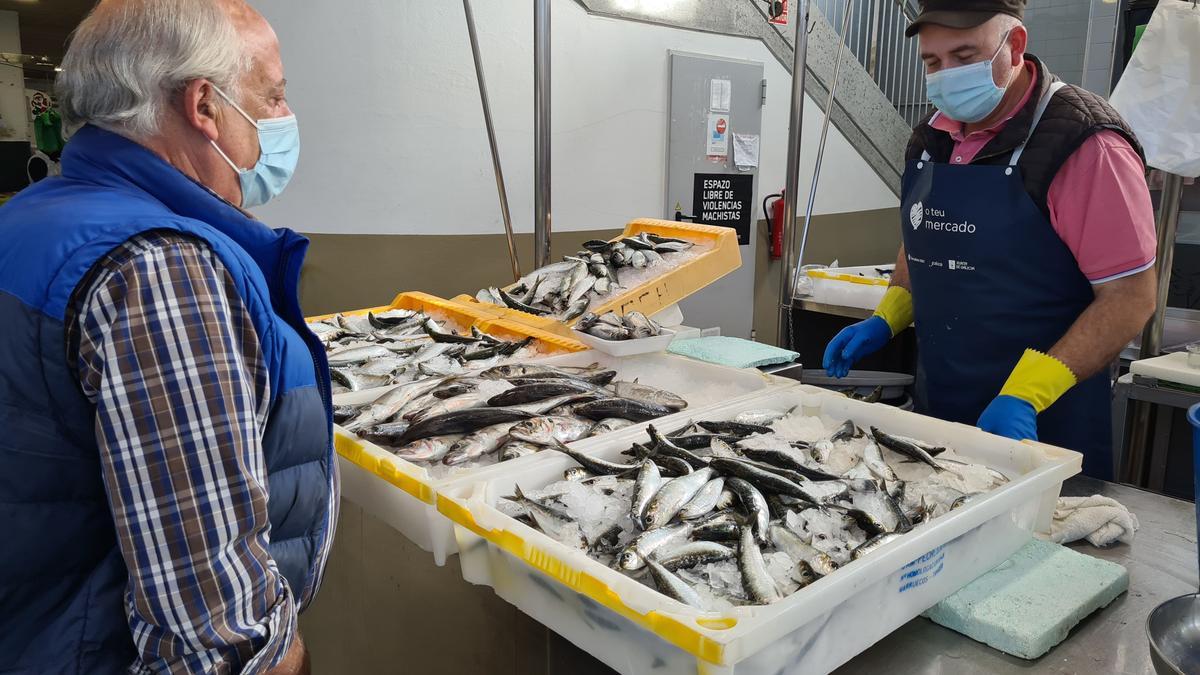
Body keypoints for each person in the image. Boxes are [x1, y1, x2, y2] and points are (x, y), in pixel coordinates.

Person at [0, 1, 336, 673]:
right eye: (271, 97)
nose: (280, 120)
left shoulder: (33, 215)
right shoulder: (160, 270)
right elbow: (216, 636)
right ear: (205, 107)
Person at [823, 0, 1157, 479]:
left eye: (964, 56)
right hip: (939, 406)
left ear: (1015, 45)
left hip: (1041, 421)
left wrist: (1027, 394)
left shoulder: (1085, 145)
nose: (946, 76)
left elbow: (1130, 296)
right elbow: (925, 235)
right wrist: (888, 315)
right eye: (933, 63)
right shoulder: (930, 139)